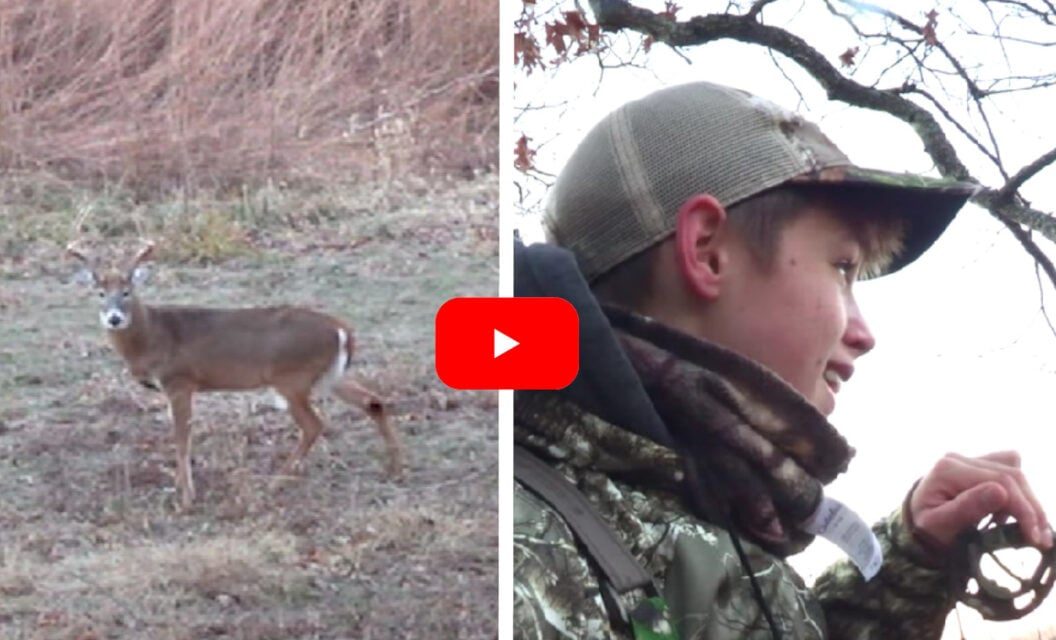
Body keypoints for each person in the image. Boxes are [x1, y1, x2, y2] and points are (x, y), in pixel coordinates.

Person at [513, 81, 1052, 639]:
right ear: (707, 252)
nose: (865, 333)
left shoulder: (690, 501)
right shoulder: (521, 558)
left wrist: (912, 560)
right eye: (843, 267)